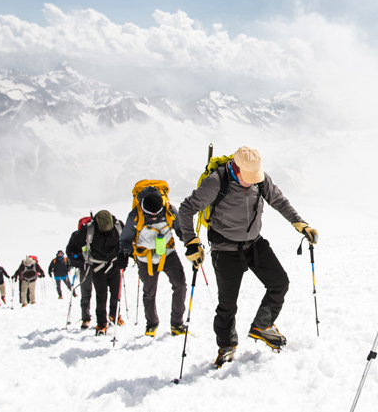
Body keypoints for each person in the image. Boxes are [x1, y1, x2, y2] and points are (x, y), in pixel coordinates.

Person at [179, 146, 318, 366]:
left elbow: (279, 201)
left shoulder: (259, 179)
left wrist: (299, 223)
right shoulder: (216, 182)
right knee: (227, 305)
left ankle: (262, 326)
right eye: (248, 177)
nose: (252, 181)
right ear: (236, 167)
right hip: (225, 250)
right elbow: (186, 209)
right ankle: (226, 346)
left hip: (254, 244)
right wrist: (190, 242)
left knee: (279, 282)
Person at [119, 183, 187, 338]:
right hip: (145, 258)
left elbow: (180, 229)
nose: (154, 217)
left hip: (167, 254)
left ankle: (177, 324)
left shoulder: (169, 210)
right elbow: (126, 239)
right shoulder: (135, 215)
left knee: (180, 285)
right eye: (151, 215)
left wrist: (189, 242)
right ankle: (152, 324)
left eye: (157, 214)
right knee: (149, 293)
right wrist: (123, 253)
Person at [66, 210, 125, 336]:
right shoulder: (88, 230)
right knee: (103, 295)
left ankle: (110, 318)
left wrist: (126, 254)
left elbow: (127, 241)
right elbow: (72, 247)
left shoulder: (118, 226)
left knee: (111, 294)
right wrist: (76, 259)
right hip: (99, 266)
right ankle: (103, 321)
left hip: (110, 264)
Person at [66, 228, 95, 329]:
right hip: (98, 265)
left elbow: (70, 249)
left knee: (85, 293)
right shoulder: (97, 232)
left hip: (84, 266)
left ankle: (85, 318)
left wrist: (76, 261)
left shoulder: (77, 235)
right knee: (102, 293)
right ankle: (105, 318)